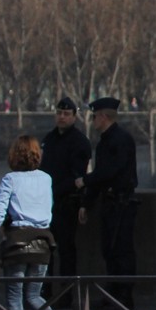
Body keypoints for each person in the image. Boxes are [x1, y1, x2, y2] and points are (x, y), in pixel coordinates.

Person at [0, 135, 64, 310]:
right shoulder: (46, 179)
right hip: (43, 241)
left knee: (14, 297)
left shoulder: (10, 179)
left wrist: (5, 232)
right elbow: (48, 209)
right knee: (34, 294)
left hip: (17, 243)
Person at [77, 96, 139, 310]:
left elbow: (109, 172)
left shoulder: (120, 139)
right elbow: (102, 177)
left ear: (103, 116)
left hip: (121, 202)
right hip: (111, 202)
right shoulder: (106, 140)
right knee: (110, 250)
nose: (93, 120)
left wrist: (85, 180)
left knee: (121, 250)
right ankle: (112, 293)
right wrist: (87, 203)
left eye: (94, 116)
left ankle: (123, 295)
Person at [40, 97, 91, 298]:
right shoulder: (49, 139)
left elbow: (75, 176)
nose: (61, 117)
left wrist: (53, 191)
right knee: (45, 250)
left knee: (66, 249)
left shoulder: (79, 142)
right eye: (59, 113)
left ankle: (67, 294)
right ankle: (44, 291)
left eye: (66, 114)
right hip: (46, 203)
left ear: (74, 117)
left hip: (66, 202)